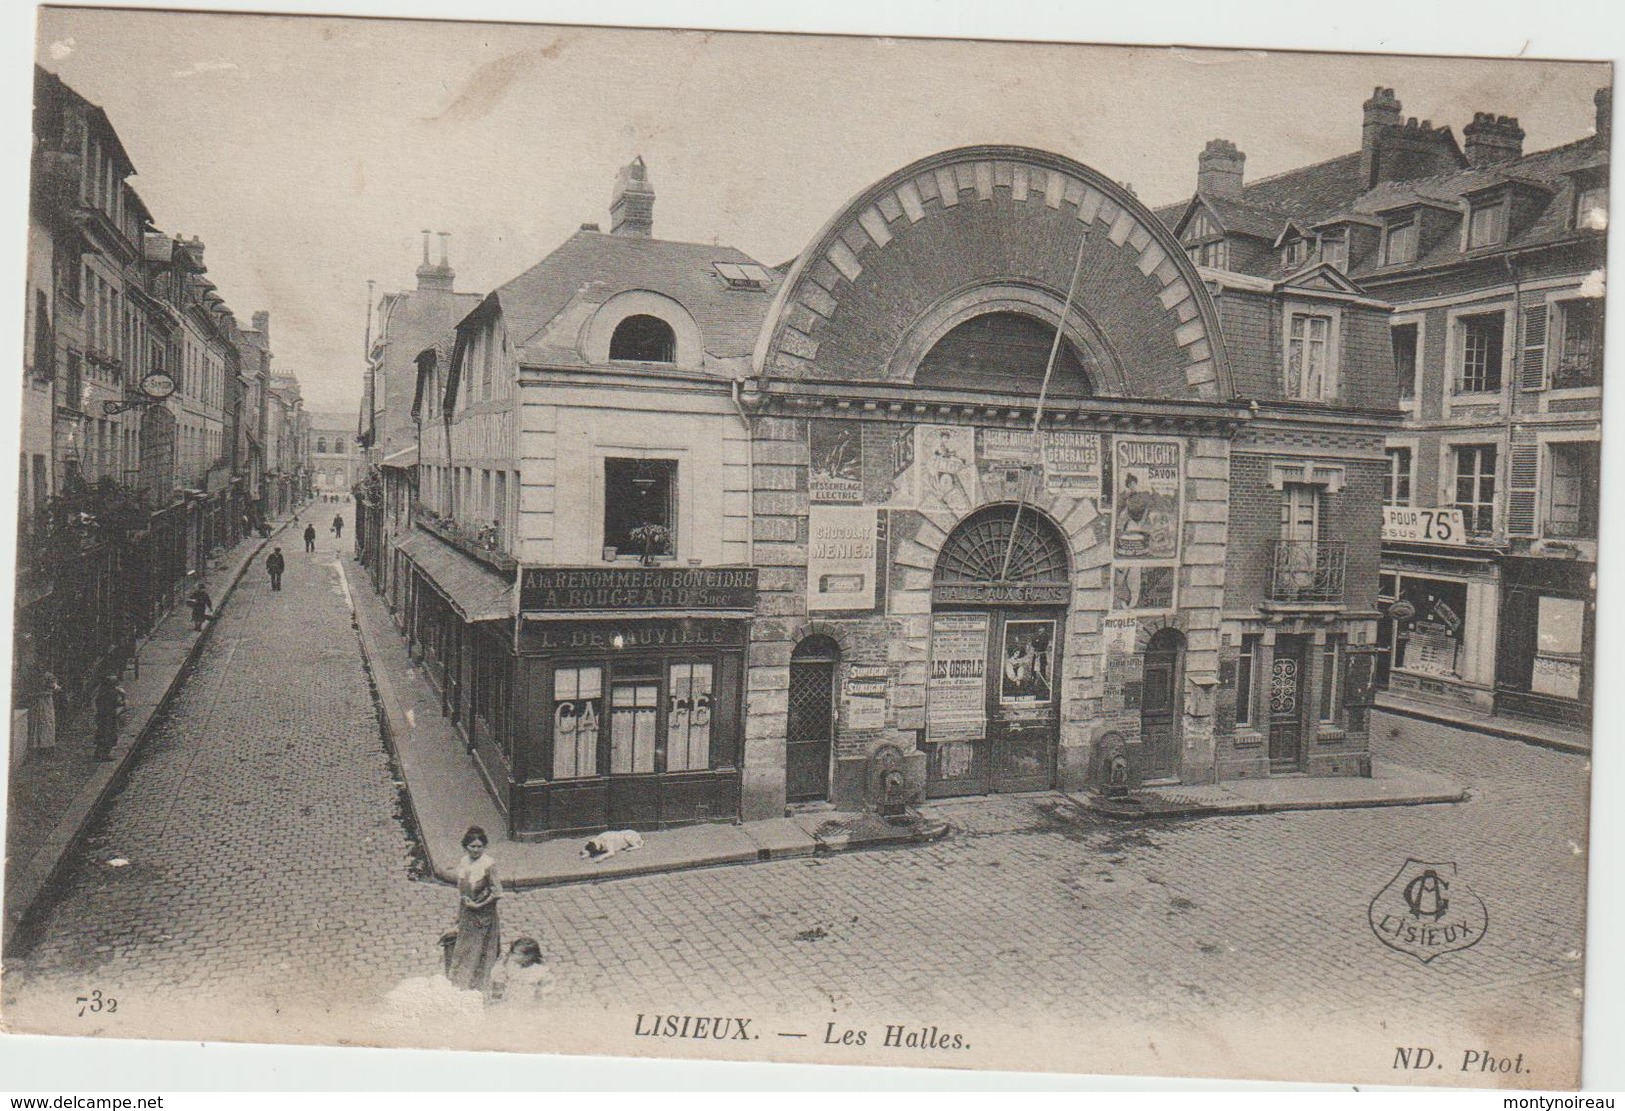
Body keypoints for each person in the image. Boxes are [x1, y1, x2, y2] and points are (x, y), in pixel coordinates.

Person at [446, 826, 502, 994]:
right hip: (467, 916)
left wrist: (478, 905)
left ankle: (482, 988)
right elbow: (462, 894)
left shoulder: (488, 865)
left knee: (483, 952)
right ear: (466, 847)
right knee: (464, 951)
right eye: (472, 846)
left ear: (484, 847)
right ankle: (463, 986)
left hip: (484, 918)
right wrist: (459, 916)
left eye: (479, 846)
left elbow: (497, 893)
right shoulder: (464, 863)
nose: (476, 850)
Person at [489, 937, 557, 1008]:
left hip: (529, 1006)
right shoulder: (512, 965)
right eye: (512, 953)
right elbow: (498, 980)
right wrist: (496, 1000)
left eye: (516, 954)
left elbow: (546, 993)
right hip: (511, 1003)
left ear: (529, 956)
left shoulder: (540, 971)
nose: (512, 956)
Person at [93, 672, 125, 762]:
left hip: (103, 716)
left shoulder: (103, 692)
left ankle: (100, 752)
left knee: (103, 734)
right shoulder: (112, 693)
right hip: (108, 717)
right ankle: (103, 754)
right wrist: (123, 695)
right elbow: (119, 704)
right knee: (108, 734)